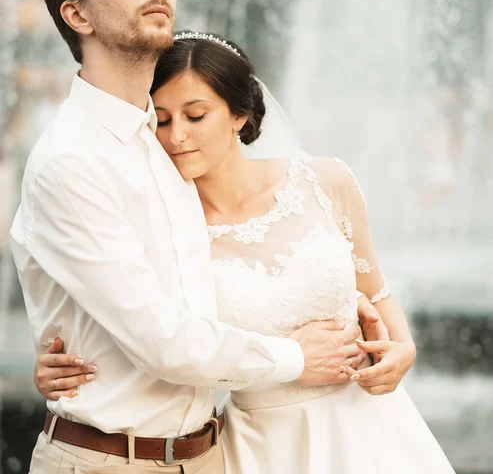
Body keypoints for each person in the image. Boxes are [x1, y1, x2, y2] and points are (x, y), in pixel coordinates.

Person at [10, 0, 384, 474]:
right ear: (76, 13)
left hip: (214, 452)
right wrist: (298, 356)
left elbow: (246, 256)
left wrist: (347, 305)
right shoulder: (73, 162)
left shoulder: (166, 143)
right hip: (111, 462)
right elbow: (161, 341)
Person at [34, 32, 456, 473]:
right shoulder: (160, 224)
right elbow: (145, 326)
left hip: (370, 431)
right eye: (160, 120)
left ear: (239, 114)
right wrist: (54, 367)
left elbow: (378, 291)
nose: (177, 135)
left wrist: (404, 349)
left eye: (195, 115)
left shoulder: (326, 181)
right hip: (259, 447)